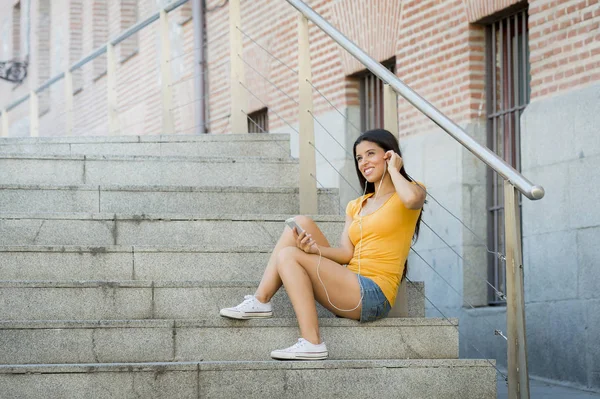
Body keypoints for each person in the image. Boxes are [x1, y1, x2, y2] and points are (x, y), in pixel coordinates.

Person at [220, 129, 426, 360]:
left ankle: (312, 342)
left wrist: (394, 170)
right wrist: (313, 250)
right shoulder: (356, 205)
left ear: (389, 155)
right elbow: (346, 254)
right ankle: (260, 301)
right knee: (300, 222)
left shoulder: (409, 192)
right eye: (359, 158)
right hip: (349, 281)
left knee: (288, 256)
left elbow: (412, 199)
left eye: (371, 154)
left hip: (373, 294)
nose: (364, 162)